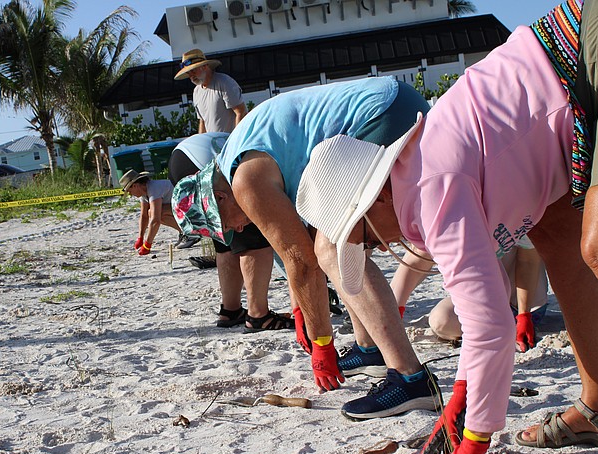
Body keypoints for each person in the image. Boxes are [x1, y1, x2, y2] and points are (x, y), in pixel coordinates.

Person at [296, 0, 598, 454]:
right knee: (562, 240)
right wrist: (463, 390)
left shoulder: (428, 189)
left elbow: (490, 326)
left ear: (372, 204)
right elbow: (486, 306)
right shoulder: (418, 168)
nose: (374, 248)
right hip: (571, 85)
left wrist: (473, 436)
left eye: (364, 240)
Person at [172, 77, 437, 416]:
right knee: (340, 239)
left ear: (220, 197)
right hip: (393, 101)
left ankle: (411, 378)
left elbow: (303, 261)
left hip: (382, 113)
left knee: (333, 247)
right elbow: (296, 249)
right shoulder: (239, 159)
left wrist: (322, 343)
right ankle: (369, 347)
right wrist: (301, 310)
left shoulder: (245, 179)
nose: (237, 229)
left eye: (226, 224)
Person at [168, 133, 293, 332]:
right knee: (251, 237)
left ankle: (231, 310)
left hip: (180, 160)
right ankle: (258, 314)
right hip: (201, 161)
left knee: (225, 238)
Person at [391, 238, 549, 352]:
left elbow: (529, 261)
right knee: (441, 321)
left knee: (443, 321)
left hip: (522, 302)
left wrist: (524, 315)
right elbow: (419, 254)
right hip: (479, 297)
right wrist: (391, 312)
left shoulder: (514, 203)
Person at [174, 48, 247, 251]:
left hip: (230, 145)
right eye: (189, 73)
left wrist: (234, 142)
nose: (192, 76)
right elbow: (202, 123)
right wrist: (200, 142)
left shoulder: (224, 83)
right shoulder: (197, 92)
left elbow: (240, 111)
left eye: (194, 71)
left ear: (205, 66)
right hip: (209, 151)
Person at [120, 169, 179, 256]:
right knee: (150, 212)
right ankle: (185, 232)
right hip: (178, 207)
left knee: (158, 214)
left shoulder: (153, 188)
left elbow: (155, 220)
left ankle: (189, 233)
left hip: (188, 205)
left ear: (135, 186)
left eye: (129, 191)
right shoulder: (144, 192)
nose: (130, 194)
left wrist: (147, 245)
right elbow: (144, 216)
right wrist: (140, 237)